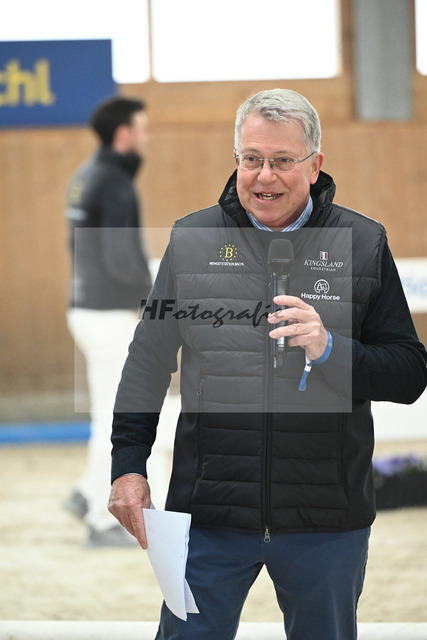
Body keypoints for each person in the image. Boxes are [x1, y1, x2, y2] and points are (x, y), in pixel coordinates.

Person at [108, 89, 427, 638]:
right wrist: (128, 465)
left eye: (282, 160)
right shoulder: (191, 240)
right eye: (251, 159)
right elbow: (146, 364)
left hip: (326, 520)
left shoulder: (363, 242)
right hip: (209, 514)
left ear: (315, 165)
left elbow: (409, 373)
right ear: (236, 158)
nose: (264, 176)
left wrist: (331, 349)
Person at [65, 96, 152, 547]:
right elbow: (120, 258)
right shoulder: (115, 182)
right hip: (108, 316)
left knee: (107, 410)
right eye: (142, 128)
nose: (146, 137)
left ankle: (84, 493)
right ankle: (102, 523)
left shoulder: (85, 175)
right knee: (117, 420)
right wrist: (153, 297)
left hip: (84, 308)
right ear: (123, 134)